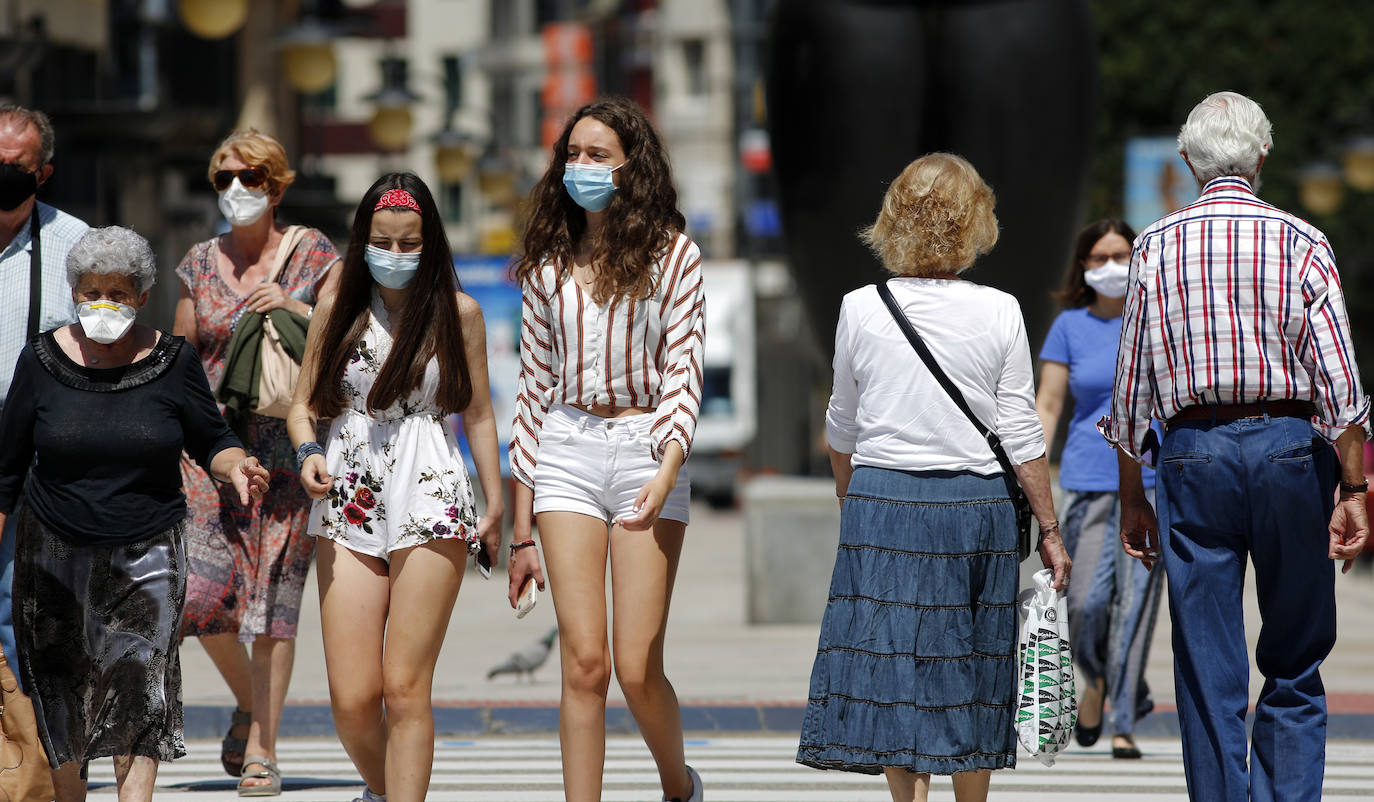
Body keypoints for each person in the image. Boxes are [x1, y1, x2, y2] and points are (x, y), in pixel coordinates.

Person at [1100, 91, 1370, 802]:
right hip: (1288, 445)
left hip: (1192, 453)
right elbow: (1340, 381)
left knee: (1207, 663)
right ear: (1264, 156)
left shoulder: (1156, 245)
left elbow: (1131, 389)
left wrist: (1134, 497)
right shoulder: (1304, 240)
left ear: (1187, 161)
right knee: (1295, 655)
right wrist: (1353, 488)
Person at [795, 153, 1071, 802]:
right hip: (976, 508)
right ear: (975, 220)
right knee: (972, 667)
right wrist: (1050, 529)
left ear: (893, 216)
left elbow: (843, 423)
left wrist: (848, 495)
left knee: (895, 671)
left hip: (883, 501)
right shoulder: (1000, 310)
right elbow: (1022, 436)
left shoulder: (861, 307)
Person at [0, 226, 270, 802]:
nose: (103, 302)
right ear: (73, 292)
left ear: (142, 296)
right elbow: (6, 470)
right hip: (53, 552)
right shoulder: (40, 360)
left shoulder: (172, 361)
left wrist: (237, 465)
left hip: (148, 548)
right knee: (62, 690)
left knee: (138, 689)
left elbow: (211, 437)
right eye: (91, 290)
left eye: (117, 292)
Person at [507, 96, 705, 802]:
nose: (582, 167)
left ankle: (678, 785)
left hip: (649, 447)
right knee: (583, 662)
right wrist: (519, 531)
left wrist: (668, 471)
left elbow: (685, 373)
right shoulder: (547, 263)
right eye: (574, 154)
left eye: (599, 156)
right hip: (566, 444)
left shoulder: (676, 256)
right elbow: (530, 392)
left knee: (636, 664)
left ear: (632, 168)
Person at [288, 173, 502, 802]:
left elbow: (481, 414)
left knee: (406, 686)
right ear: (362, 240)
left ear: (431, 243)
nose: (396, 254)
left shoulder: (459, 313)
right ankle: (388, 791)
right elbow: (303, 405)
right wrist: (305, 454)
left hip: (431, 483)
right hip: (349, 484)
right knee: (353, 698)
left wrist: (496, 508)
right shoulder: (338, 308)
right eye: (383, 240)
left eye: (411, 243)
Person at [172, 129, 340, 793]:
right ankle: (249, 699)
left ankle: (264, 748)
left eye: (251, 179)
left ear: (276, 186)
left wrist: (294, 305)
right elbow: (182, 362)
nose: (237, 191)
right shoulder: (197, 262)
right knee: (201, 596)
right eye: (224, 180)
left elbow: (345, 333)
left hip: (288, 444)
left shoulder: (313, 254)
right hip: (213, 449)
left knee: (273, 600)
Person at [1035, 218, 1162, 759]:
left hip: (1153, 483)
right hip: (1087, 481)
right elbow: (1048, 405)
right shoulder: (1068, 325)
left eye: (1122, 254)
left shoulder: (1160, 320)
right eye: (1099, 257)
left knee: (1134, 608)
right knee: (1084, 605)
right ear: (1083, 267)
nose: (1112, 266)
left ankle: (1124, 723)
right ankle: (1101, 681)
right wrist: (1032, 474)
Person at [0, 102, 90, 802]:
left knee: (25, 626)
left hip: (36, 479)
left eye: (15, 171)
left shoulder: (76, 246)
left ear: (44, 173)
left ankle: (34, 781)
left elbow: (109, 362)